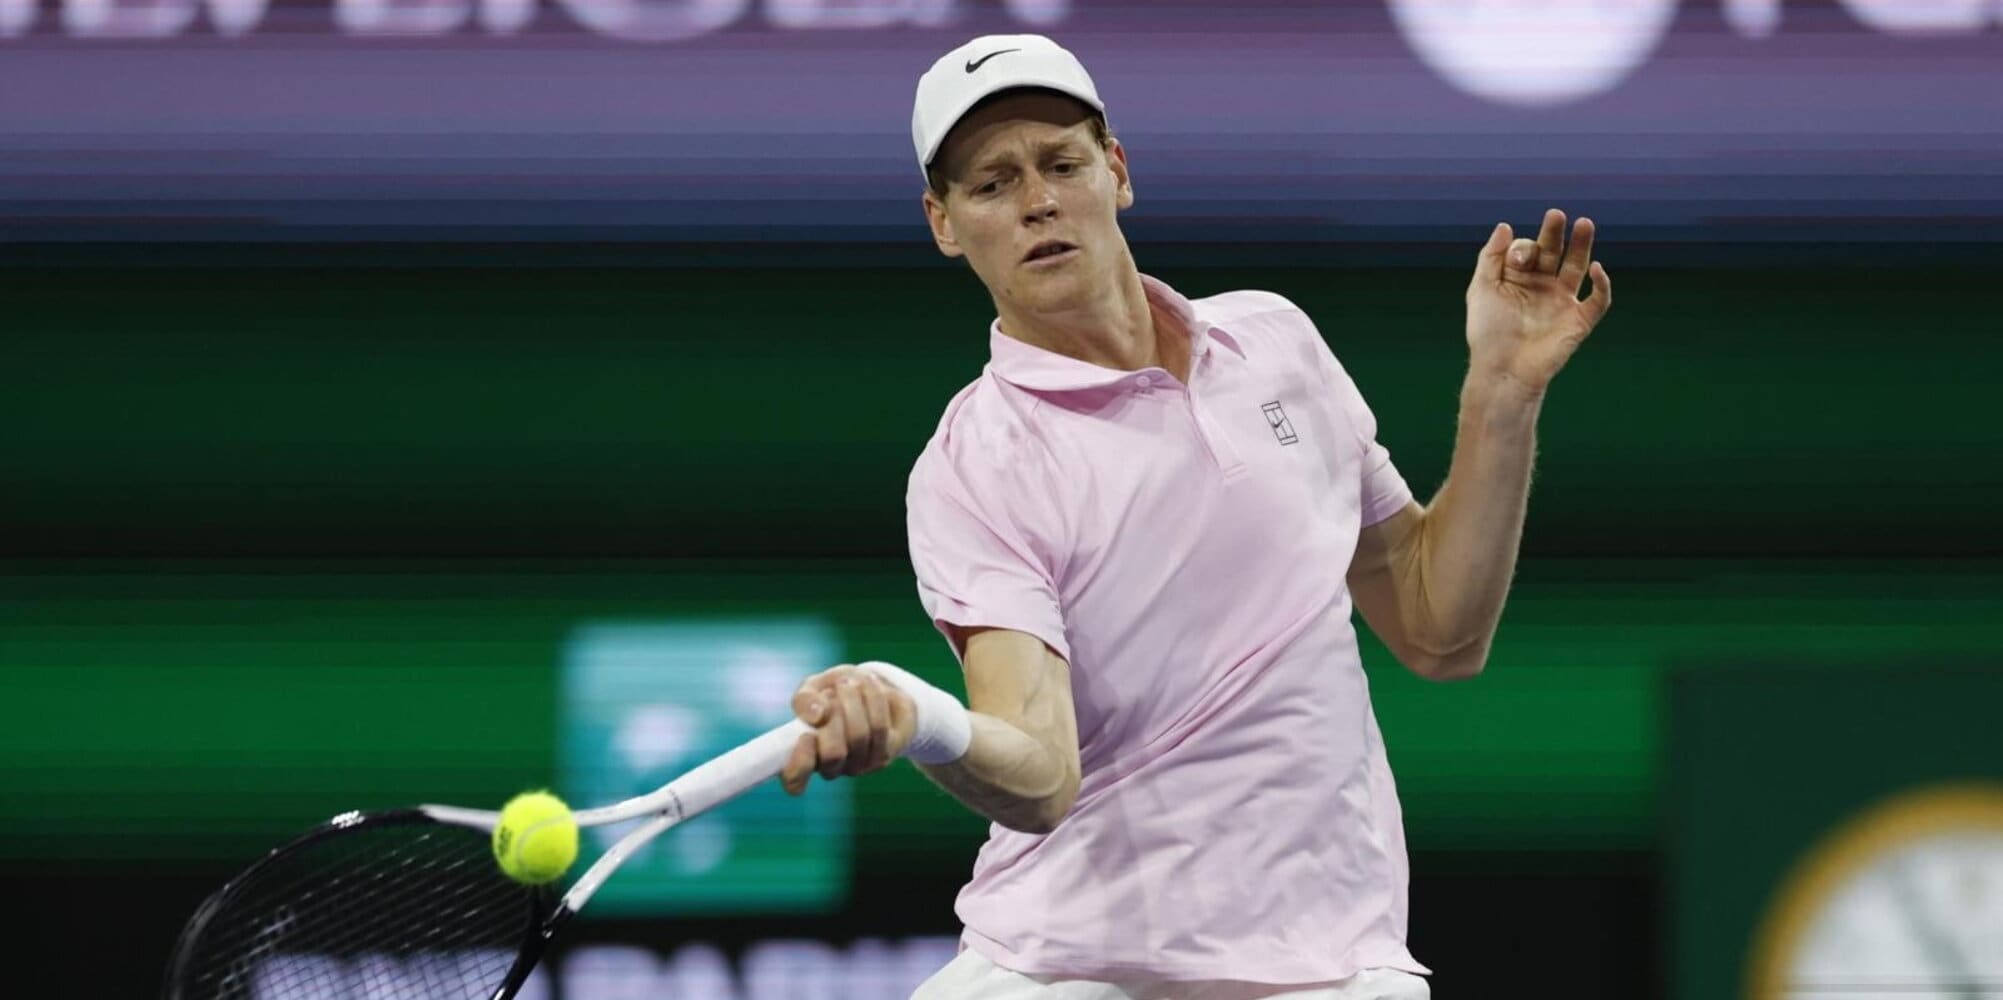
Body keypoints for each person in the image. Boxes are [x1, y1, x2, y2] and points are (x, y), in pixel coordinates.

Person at [777, 33, 1614, 1000]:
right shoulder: (978, 465)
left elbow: (1437, 629)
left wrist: (1502, 390)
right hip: (1074, 970)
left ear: (1117, 171)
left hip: (1335, 968)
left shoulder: (1275, 341)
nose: (1037, 201)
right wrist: (919, 717)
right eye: (992, 184)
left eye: (1061, 164)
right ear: (944, 224)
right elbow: (1041, 772)